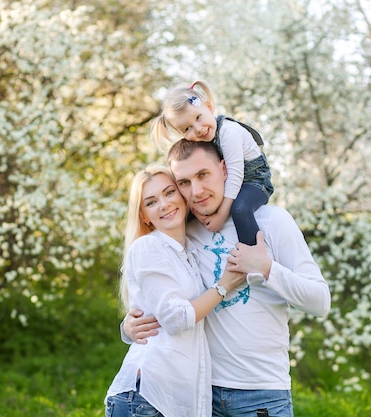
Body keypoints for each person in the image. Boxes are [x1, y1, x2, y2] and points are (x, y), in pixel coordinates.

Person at [123, 140, 331, 417]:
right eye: (184, 182)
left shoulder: (271, 221)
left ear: (224, 169)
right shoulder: (185, 232)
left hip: (261, 393)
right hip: (199, 394)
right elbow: (163, 296)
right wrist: (128, 328)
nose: (196, 191)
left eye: (203, 175)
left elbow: (320, 302)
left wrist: (267, 268)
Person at [104, 164, 247, 417]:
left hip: (173, 401)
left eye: (169, 192)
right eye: (151, 202)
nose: (164, 204)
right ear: (144, 216)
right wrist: (225, 285)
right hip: (147, 398)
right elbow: (175, 318)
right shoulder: (148, 247)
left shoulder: (189, 250)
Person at [150, 80, 274, 246]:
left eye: (198, 118)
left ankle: (251, 253)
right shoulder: (205, 137)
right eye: (187, 129)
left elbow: (236, 176)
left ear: (209, 107)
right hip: (232, 181)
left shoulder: (229, 133)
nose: (198, 129)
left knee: (240, 210)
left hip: (255, 180)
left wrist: (221, 215)